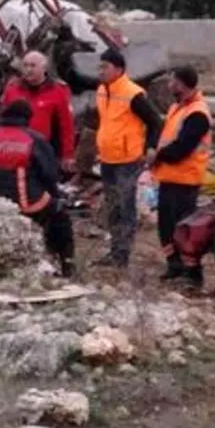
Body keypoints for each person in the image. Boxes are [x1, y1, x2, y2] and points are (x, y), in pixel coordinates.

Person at [0, 100, 75, 276]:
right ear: (27, 118)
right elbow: (50, 175)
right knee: (60, 216)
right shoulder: (34, 139)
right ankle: (67, 266)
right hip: (30, 204)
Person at [93, 49, 163, 268]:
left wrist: (151, 146)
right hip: (107, 158)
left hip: (127, 160)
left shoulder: (133, 94)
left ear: (119, 69)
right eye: (100, 66)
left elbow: (155, 121)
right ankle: (114, 250)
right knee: (112, 206)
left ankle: (122, 254)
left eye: (105, 67)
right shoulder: (102, 91)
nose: (101, 71)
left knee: (126, 207)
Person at [150, 66, 213, 288]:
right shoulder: (177, 108)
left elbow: (181, 149)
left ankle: (192, 273)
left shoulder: (197, 113)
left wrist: (156, 155)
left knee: (186, 230)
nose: (168, 85)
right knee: (166, 227)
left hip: (185, 179)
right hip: (170, 177)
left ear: (181, 84)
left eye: (172, 81)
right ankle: (174, 265)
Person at [0, 51, 76, 173]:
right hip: (15, 151)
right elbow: (2, 121)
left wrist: (68, 155)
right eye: (25, 65)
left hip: (43, 153)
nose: (28, 70)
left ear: (44, 68)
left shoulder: (58, 91)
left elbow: (66, 126)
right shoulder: (12, 89)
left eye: (33, 65)